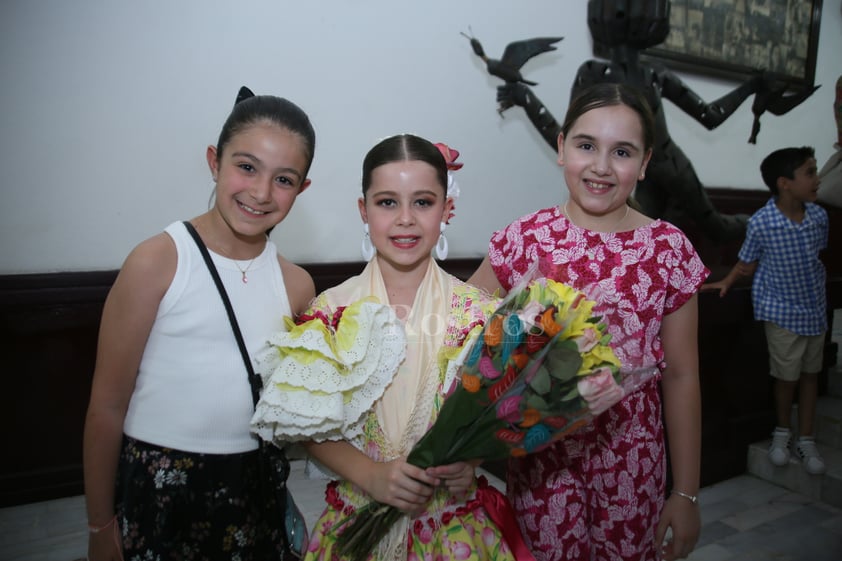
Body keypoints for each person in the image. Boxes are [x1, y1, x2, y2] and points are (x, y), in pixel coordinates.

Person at [470, 82, 707, 561]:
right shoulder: (524, 239)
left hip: (632, 458)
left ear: (643, 163)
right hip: (541, 460)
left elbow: (682, 375)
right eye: (586, 145)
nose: (601, 166)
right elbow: (466, 336)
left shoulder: (668, 249)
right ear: (561, 148)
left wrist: (685, 493)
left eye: (622, 151)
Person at [82, 87, 317, 560]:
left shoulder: (297, 286)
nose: (260, 192)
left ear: (302, 189)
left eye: (284, 179)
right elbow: (106, 407)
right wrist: (99, 526)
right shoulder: (159, 261)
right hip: (162, 492)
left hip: (253, 493)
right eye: (246, 167)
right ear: (215, 161)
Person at [283, 134, 522, 560]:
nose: (405, 219)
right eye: (388, 202)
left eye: (423, 202)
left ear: (447, 209)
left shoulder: (482, 316)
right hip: (358, 522)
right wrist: (371, 475)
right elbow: (308, 424)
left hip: (452, 528)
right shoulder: (329, 311)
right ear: (364, 210)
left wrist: (470, 462)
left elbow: (498, 415)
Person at [703, 146, 828, 476]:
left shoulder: (819, 216)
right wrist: (726, 282)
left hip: (814, 308)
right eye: (811, 173)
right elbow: (747, 261)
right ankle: (783, 432)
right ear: (785, 183)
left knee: (811, 374)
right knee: (787, 377)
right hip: (781, 311)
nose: (818, 180)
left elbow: (818, 256)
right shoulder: (762, 222)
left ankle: (808, 437)